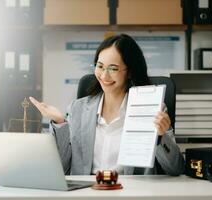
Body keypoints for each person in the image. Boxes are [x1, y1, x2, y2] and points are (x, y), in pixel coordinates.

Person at [29, 34, 184, 176]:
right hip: (87, 192)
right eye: (100, 66)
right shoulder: (77, 109)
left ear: (129, 72)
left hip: (132, 192)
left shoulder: (152, 109)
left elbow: (176, 169)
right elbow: (61, 169)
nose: (104, 75)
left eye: (113, 69)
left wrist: (161, 136)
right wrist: (59, 123)